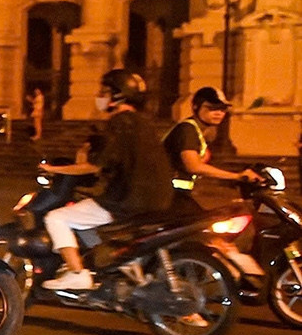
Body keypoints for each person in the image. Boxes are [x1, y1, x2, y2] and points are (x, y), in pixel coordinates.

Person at [37, 69, 176, 290]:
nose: (100, 96)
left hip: (127, 200)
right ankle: (119, 266)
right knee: (88, 218)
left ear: (117, 96)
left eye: (105, 92)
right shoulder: (144, 124)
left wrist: (54, 169)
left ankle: (77, 272)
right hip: (159, 199)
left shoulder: (119, 123)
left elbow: (94, 165)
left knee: (57, 218)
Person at [165, 86, 256, 193]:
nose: (219, 113)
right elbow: (193, 166)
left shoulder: (198, 131)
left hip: (176, 193)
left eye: (222, 109)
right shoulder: (187, 130)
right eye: (212, 108)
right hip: (168, 193)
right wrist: (237, 176)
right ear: (195, 107)